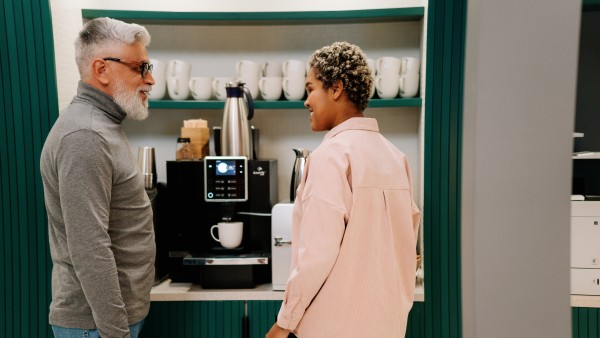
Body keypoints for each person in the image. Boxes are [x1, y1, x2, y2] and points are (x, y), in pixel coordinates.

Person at [266, 42, 421, 338]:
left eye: (310, 89)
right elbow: (407, 248)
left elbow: (316, 255)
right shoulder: (395, 158)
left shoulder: (330, 157)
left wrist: (283, 324)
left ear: (335, 88)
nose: (306, 101)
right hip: (389, 326)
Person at [40, 17, 156, 338]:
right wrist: (116, 333)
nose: (151, 80)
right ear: (102, 69)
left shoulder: (104, 125)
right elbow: (89, 248)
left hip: (107, 321)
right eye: (140, 68)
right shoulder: (86, 135)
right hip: (97, 326)